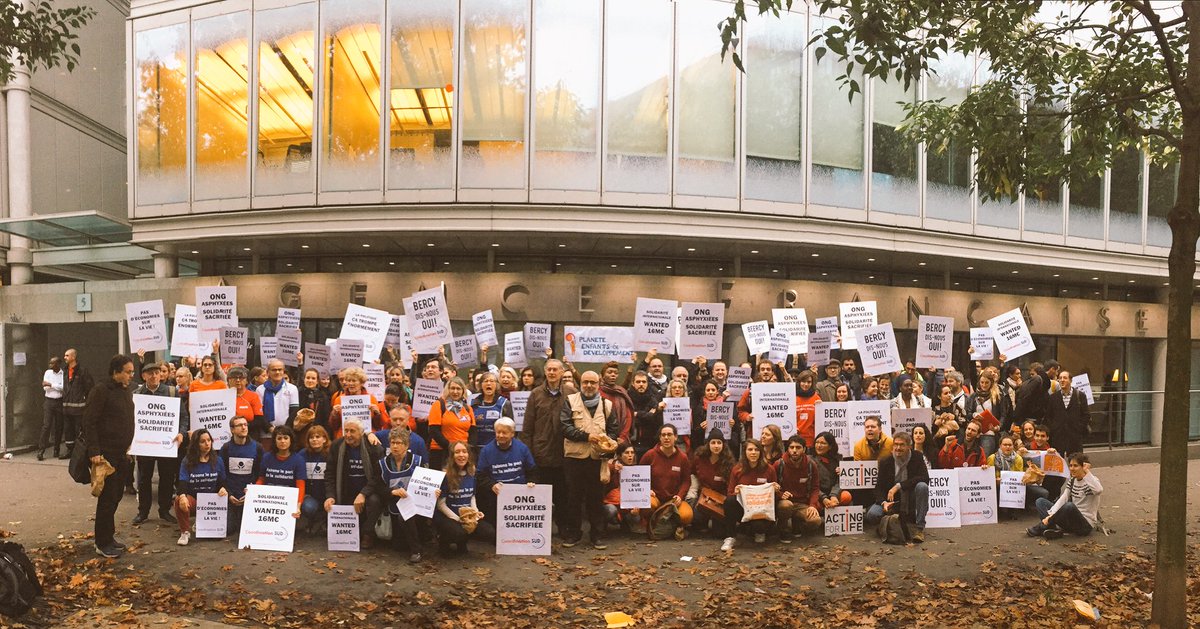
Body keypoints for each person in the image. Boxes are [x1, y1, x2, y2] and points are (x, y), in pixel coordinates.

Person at [83, 354, 136, 558]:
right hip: (106, 455)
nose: (131, 375)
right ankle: (101, 542)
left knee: (116, 496)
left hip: (121, 454)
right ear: (116, 372)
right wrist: (94, 451)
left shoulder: (125, 391)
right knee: (107, 498)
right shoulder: (101, 391)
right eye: (128, 372)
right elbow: (89, 422)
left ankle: (109, 537)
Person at [560, 370, 620, 549]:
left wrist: (608, 444)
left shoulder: (607, 405)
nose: (589, 385)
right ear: (580, 383)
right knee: (573, 498)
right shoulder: (570, 401)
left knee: (596, 498)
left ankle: (597, 535)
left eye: (592, 382)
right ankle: (574, 534)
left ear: (599, 383)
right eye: (585, 382)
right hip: (574, 458)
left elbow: (614, 429)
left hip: (597, 459)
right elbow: (564, 427)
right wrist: (587, 436)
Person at [132, 361, 184, 526]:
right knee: (144, 478)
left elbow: (184, 416)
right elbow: (132, 419)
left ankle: (164, 510)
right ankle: (143, 511)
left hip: (166, 443)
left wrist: (181, 433)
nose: (154, 376)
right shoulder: (137, 393)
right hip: (145, 444)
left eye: (157, 373)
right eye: (150, 373)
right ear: (144, 376)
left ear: (161, 375)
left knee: (167, 477)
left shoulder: (171, 392)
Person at [522, 359, 573, 522]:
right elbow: (527, 427)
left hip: (564, 453)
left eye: (555, 370)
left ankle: (564, 527)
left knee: (563, 495)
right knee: (540, 496)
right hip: (541, 453)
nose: (551, 372)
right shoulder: (535, 394)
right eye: (549, 369)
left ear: (562, 372)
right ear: (545, 372)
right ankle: (541, 529)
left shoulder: (571, 393)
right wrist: (528, 454)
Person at [324, 419, 385, 549]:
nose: (348, 434)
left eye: (352, 431)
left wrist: (363, 493)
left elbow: (378, 476)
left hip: (368, 490)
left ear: (362, 433)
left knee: (374, 501)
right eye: (346, 430)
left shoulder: (374, 447)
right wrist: (330, 495)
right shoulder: (336, 446)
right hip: (346, 490)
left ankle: (368, 534)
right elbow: (329, 473)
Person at [866, 431, 929, 542]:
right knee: (872, 514)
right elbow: (878, 487)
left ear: (909, 446)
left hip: (910, 498)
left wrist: (899, 486)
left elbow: (924, 477)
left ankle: (919, 528)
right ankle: (888, 526)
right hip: (891, 500)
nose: (898, 448)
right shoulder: (886, 461)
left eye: (902, 445)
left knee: (922, 487)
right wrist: (883, 503)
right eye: (896, 444)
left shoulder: (917, 457)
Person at [435, 441, 495, 554]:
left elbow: (472, 496)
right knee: (458, 532)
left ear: (469, 454)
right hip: (448, 516)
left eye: (464, 451)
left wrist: (475, 513)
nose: (461, 455)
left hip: (466, 515)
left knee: (489, 532)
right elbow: (441, 505)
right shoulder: (445, 474)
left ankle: (462, 542)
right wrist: (458, 519)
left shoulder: (472, 472)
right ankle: (444, 541)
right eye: (457, 452)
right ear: (451, 456)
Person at [378, 427, 427, 562]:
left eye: (399, 443)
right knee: (398, 546)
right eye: (392, 443)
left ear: (406, 445)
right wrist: (391, 492)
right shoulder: (383, 463)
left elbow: (427, 483)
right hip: (393, 504)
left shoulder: (418, 461)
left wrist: (433, 491)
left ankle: (416, 550)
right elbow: (378, 486)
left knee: (405, 516)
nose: (395, 446)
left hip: (414, 504)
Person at [719, 439, 777, 551]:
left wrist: (776, 489)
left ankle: (759, 531)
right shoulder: (737, 469)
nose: (753, 453)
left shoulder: (769, 469)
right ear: (744, 452)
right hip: (743, 508)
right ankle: (730, 537)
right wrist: (736, 491)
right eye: (750, 450)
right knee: (729, 501)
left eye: (756, 450)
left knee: (758, 527)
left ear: (761, 452)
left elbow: (775, 495)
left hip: (761, 510)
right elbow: (730, 492)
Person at [1027, 453, 1103, 539]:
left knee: (1069, 506)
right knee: (1040, 501)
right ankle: (1052, 529)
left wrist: (1087, 472)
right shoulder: (1072, 481)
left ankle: (1041, 527)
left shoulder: (1092, 480)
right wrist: (1050, 515)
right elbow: (1063, 498)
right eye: (1070, 466)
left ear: (1083, 467)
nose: (1072, 469)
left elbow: (1099, 490)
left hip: (1084, 525)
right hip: (1071, 521)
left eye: (1075, 466)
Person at [475, 418, 536, 524]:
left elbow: (532, 470)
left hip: (519, 496)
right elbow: (480, 475)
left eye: (504, 432)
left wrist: (531, 482)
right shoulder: (486, 451)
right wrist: (492, 485)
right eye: (498, 432)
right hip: (496, 496)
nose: (501, 435)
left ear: (512, 433)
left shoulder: (522, 448)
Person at [174, 428, 227, 545]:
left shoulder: (218, 460)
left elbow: (222, 481)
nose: (207, 444)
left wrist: (223, 489)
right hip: (193, 500)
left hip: (211, 503)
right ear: (196, 444)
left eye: (209, 440)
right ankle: (185, 532)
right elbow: (182, 481)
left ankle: (202, 522)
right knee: (179, 500)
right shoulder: (187, 461)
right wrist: (182, 496)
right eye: (202, 441)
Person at [639, 424, 693, 533]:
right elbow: (639, 476)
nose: (666, 438)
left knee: (687, 516)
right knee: (648, 504)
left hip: (673, 500)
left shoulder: (683, 457)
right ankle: (654, 523)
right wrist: (646, 490)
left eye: (669, 434)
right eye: (663, 435)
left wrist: (680, 496)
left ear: (676, 437)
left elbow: (686, 481)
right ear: (660, 438)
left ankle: (667, 523)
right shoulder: (650, 455)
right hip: (655, 498)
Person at [219, 415, 263, 535]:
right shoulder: (226, 448)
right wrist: (229, 494)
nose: (244, 427)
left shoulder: (257, 447)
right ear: (232, 430)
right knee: (227, 530)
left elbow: (260, 474)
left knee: (252, 531)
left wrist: (251, 492)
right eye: (239, 425)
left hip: (248, 495)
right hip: (231, 495)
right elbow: (222, 474)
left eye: (245, 425)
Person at [773, 435, 822, 542]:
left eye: (798, 447)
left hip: (802, 503)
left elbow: (815, 487)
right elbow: (772, 485)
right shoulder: (779, 464)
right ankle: (783, 529)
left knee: (815, 521)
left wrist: (813, 505)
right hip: (784, 503)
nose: (794, 450)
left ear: (804, 449)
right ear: (788, 449)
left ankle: (797, 523)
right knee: (786, 506)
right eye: (792, 447)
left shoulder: (811, 464)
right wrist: (780, 494)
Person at [688, 429, 734, 536]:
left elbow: (730, 485)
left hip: (720, 499)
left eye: (719, 442)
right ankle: (702, 522)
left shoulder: (728, 462)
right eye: (713, 442)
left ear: (723, 445)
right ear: (708, 444)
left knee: (719, 533)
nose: (716, 446)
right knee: (696, 519)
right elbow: (692, 474)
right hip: (703, 497)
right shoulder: (699, 458)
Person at [255, 425, 306, 520]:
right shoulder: (266, 457)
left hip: (289, 499)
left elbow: (301, 485)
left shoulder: (299, 460)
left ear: (291, 440)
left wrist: (298, 506)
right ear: (274, 441)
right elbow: (261, 479)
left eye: (286, 438)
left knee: (309, 507)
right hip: (269, 498)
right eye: (279, 438)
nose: (283, 441)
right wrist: (253, 492)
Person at [428, 377, 476, 469]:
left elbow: (473, 432)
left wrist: (467, 449)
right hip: (441, 452)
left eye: (458, 389)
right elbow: (434, 431)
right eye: (452, 388)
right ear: (447, 390)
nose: (455, 391)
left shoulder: (468, 408)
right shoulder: (438, 404)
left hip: (462, 453)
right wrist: (451, 447)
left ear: (463, 391)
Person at [329, 367, 387, 439]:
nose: (350, 383)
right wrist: (334, 414)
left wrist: (377, 414)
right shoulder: (339, 399)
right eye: (348, 380)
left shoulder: (371, 399)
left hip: (365, 438)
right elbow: (334, 426)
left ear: (361, 383)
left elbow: (378, 425)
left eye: (354, 381)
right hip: (345, 438)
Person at [1045, 370, 1091, 456]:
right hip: (1058, 436)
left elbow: (1086, 415)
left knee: (1076, 461)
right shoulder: (1053, 397)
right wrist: (1054, 428)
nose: (1062, 380)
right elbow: (1048, 416)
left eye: (1065, 378)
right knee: (1057, 462)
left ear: (1070, 380)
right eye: (1060, 378)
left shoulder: (1080, 396)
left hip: (1074, 436)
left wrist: (1079, 427)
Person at [62, 348, 94, 460]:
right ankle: (70, 450)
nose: (64, 358)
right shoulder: (65, 371)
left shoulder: (82, 371)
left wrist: (87, 402)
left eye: (67, 355)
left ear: (73, 357)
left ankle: (79, 453)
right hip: (66, 407)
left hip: (79, 409)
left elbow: (90, 388)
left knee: (79, 431)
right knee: (68, 431)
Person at [603, 442, 643, 532]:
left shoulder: (636, 471)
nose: (630, 455)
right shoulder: (611, 466)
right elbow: (603, 484)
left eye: (632, 453)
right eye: (626, 452)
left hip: (626, 505)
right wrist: (613, 471)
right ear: (620, 456)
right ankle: (601, 526)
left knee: (636, 517)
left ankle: (625, 523)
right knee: (610, 510)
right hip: (610, 503)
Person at [256, 359, 300, 440]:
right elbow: (259, 413)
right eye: (274, 370)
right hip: (266, 434)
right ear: (268, 372)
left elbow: (294, 411)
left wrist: (284, 430)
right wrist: (270, 428)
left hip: (286, 433)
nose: (277, 372)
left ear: (283, 371)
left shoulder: (292, 388)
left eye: (280, 369)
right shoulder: (260, 389)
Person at [300, 425, 331, 534]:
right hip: (310, 496)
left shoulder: (331, 454)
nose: (314, 439)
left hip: (328, 496)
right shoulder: (302, 454)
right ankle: (313, 521)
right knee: (309, 507)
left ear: (324, 439)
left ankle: (323, 521)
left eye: (318, 436)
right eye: (311, 437)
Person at [470, 372, 511, 449]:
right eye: (485, 381)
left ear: (496, 385)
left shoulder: (504, 404)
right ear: (481, 385)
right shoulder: (472, 404)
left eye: (492, 381)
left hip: (497, 448)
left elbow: (510, 429)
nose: (489, 383)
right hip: (477, 449)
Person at [599, 361, 636, 442]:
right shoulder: (597, 393)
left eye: (615, 373)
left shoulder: (621, 392)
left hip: (621, 439)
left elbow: (628, 417)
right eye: (609, 372)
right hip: (600, 438)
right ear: (602, 375)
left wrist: (623, 436)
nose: (613, 375)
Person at [629, 371, 661, 459]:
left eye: (644, 382)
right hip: (631, 444)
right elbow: (629, 418)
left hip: (650, 443)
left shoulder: (653, 399)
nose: (641, 384)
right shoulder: (627, 398)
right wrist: (647, 415)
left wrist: (637, 414)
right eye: (638, 382)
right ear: (633, 383)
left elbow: (654, 419)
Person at [811, 432, 847, 511]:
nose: (819, 445)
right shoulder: (809, 460)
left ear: (830, 446)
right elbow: (811, 484)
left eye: (823, 443)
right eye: (817, 442)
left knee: (846, 496)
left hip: (834, 492)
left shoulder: (838, 459)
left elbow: (840, 481)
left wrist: (834, 495)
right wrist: (824, 498)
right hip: (818, 493)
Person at [38, 356, 65, 460]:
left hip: (59, 402)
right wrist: (55, 385)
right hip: (49, 401)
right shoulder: (48, 373)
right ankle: (41, 450)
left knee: (59, 426)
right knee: (46, 425)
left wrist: (51, 384)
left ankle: (56, 449)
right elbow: (45, 387)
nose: (50, 365)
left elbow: (63, 388)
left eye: (52, 363)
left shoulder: (63, 374)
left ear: (58, 364)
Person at [794, 371, 820, 446]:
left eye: (809, 382)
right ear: (799, 382)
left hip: (811, 441)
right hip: (795, 440)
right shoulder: (793, 397)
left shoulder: (816, 398)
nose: (806, 384)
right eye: (803, 381)